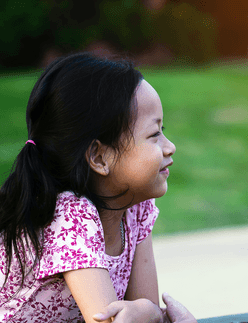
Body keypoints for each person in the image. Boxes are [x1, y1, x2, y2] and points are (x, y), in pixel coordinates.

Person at [0, 53, 197, 323]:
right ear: (99, 157)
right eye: (154, 134)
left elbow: (141, 315)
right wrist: (153, 313)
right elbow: (122, 318)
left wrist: (150, 313)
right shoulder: (71, 216)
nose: (169, 146)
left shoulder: (135, 208)